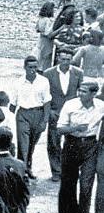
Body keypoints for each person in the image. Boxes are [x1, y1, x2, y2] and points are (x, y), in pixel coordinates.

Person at [57, 81, 104, 213]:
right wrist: (75, 128)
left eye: (84, 91)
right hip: (71, 145)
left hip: (91, 146)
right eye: (80, 90)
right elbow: (60, 129)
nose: (80, 94)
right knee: (68, 184)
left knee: (86, 187)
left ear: (94, 94)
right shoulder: (70, 105)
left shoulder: (101, 106)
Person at [43, 49, 83, 182]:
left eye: (68, 59)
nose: (65, 62)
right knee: (53, 142)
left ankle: (68, 170)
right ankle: (56, 171)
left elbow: (81, 94)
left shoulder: (78, 73)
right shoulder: (48, 73)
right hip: (55, 113)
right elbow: (45, 95)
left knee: (71, 143)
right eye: (63, 59)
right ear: (58, 59)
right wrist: (49, 112)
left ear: (71, 59)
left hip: (72, 114)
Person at [9, 56, 51, 178]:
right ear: (25, 67)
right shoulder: (18, 82)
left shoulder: (44, 81)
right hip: (23, 114)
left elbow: (47, 102)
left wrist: (45, 121)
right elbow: (13, 104)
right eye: (30, 67)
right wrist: (9, 121)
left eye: (35, 67)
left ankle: (27, 167)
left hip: (38, 113)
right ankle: (21, 171)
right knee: (23, 144)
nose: (33, 70)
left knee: (32, 144)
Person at [35, 2, 55, 70]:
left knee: (40, 55)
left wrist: (41, 32)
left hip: (41, 39)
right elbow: (47, 32)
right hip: (47, 41)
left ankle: (39, 68)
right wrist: (52, 26)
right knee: (47, 56)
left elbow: (37, 29)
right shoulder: (48, 20)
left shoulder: (40, 18)